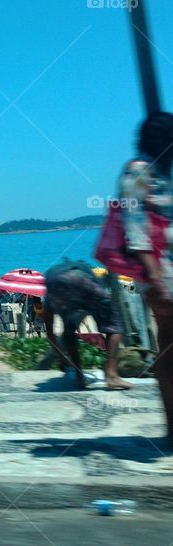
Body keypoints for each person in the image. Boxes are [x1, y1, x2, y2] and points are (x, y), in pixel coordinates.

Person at [119, 112, 173, 447]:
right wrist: (155, 281)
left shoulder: (163, 171)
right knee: (168, 346)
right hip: (163, 273)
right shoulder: (138, 171)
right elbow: (135, 227)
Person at [42, 260, 132, 391]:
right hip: (82, 281)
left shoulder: (50, 296)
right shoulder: (85, 271)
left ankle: (79, 376)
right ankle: (111, 374)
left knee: (69, 330)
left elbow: (50, 332)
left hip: (55, 287)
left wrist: (62, 359)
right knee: (114, 326)